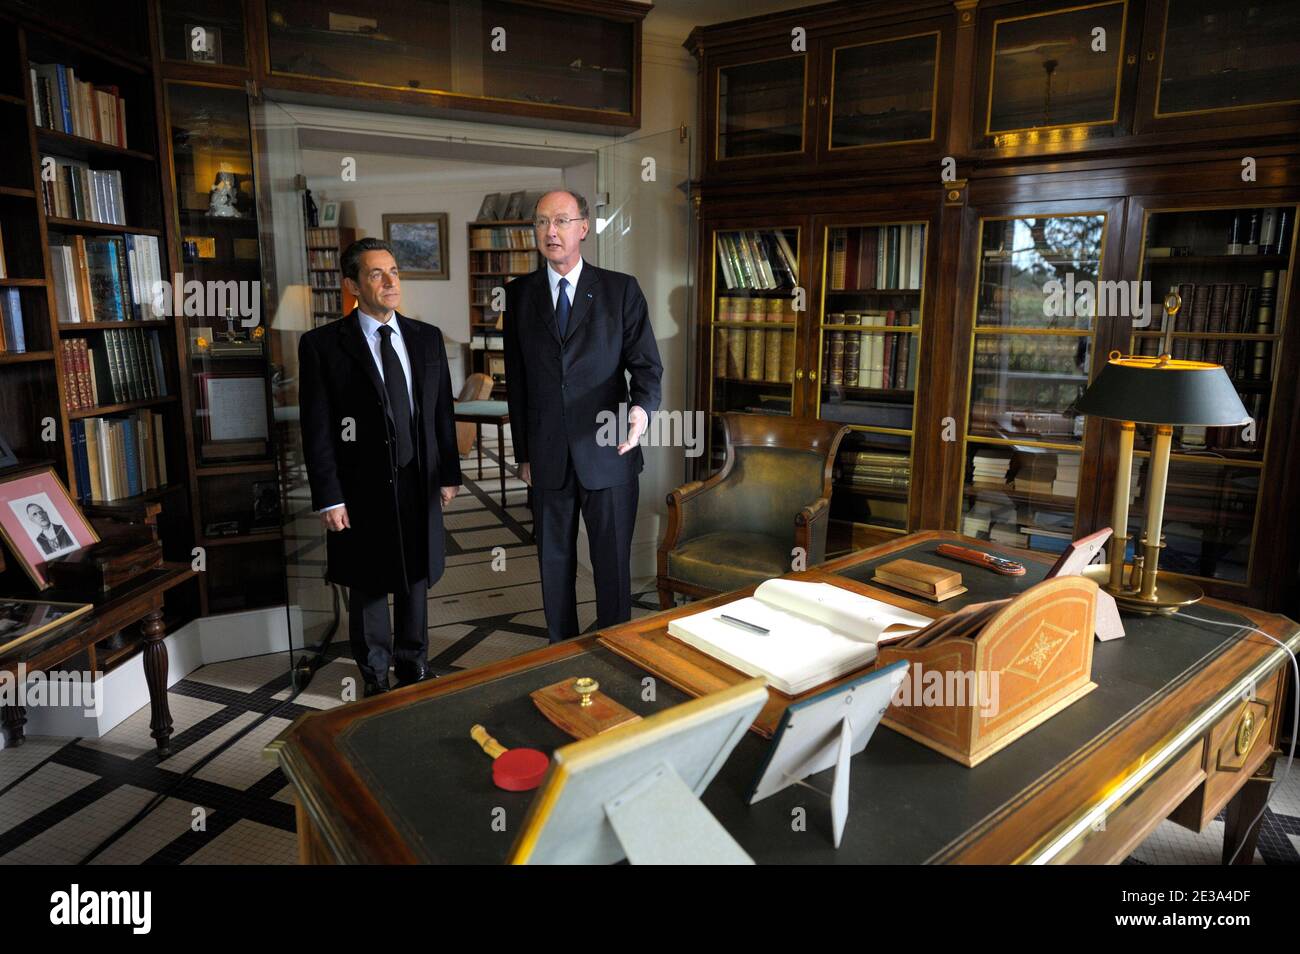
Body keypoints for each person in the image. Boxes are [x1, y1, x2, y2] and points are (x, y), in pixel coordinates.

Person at [298, 238, 461, 696]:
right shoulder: (322, 346)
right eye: (376, 274)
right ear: (352, 284)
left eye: (394, 271)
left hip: (417, 477)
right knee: (368, 582)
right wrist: (329, 496)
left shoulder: (426, 337)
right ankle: (374, 678)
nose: (391, 282)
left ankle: (413, 665)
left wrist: (448, 472)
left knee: (416, 576)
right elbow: (318, 429)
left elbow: (441, 413)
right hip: (359, 487)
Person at [503, 190, 663, 643]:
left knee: (612, 566)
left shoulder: (620, 289)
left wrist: (640, 412)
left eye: (560, 221)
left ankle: (615, 650)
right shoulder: (518, 297)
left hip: (610, 450)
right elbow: (517, 382)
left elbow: (647, 366)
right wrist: (524, 453)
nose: (549, 232)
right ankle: (560, 654)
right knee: (554, 565)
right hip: (548, 454)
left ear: (583, 228)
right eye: (540, 223)